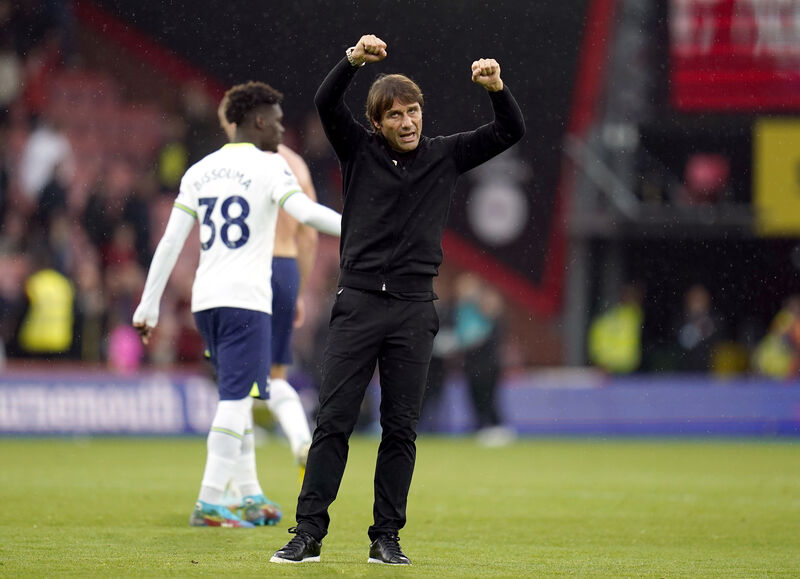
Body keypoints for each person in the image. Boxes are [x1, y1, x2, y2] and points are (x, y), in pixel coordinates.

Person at [271, 34, 524, 565]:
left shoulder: (445, 155)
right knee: (334, 420)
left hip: (413, 310)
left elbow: (510, 130)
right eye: (396, 115)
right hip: (358, 304)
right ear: (377, 123)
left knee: (400, 429)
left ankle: (386, 538)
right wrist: (350, 61)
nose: (408, 122)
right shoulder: (358, 150)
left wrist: (497, 88)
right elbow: (324, 103)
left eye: (414, 111)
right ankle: (307, 534)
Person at [132, 81, 341, 528]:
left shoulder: (199, 170)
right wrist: (363, 229)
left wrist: (147, 307)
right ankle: (209, 501)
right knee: (234, 399)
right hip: (247, 299)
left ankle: (248, 496)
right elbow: (305, 214)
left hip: (207, 300)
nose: (283, 129)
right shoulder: (270, 168)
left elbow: (171, 241)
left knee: (242, 395)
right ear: (258, 121)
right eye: (278, 120)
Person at [216, 94, 317, 489]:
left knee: (235, 378)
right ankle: (300, 439)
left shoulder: (229, 163)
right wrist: (300, 290)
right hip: (286, 266)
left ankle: (243, 488)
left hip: (247, 268)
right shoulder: (296, 164)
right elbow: (308, 236)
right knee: (275, 374)